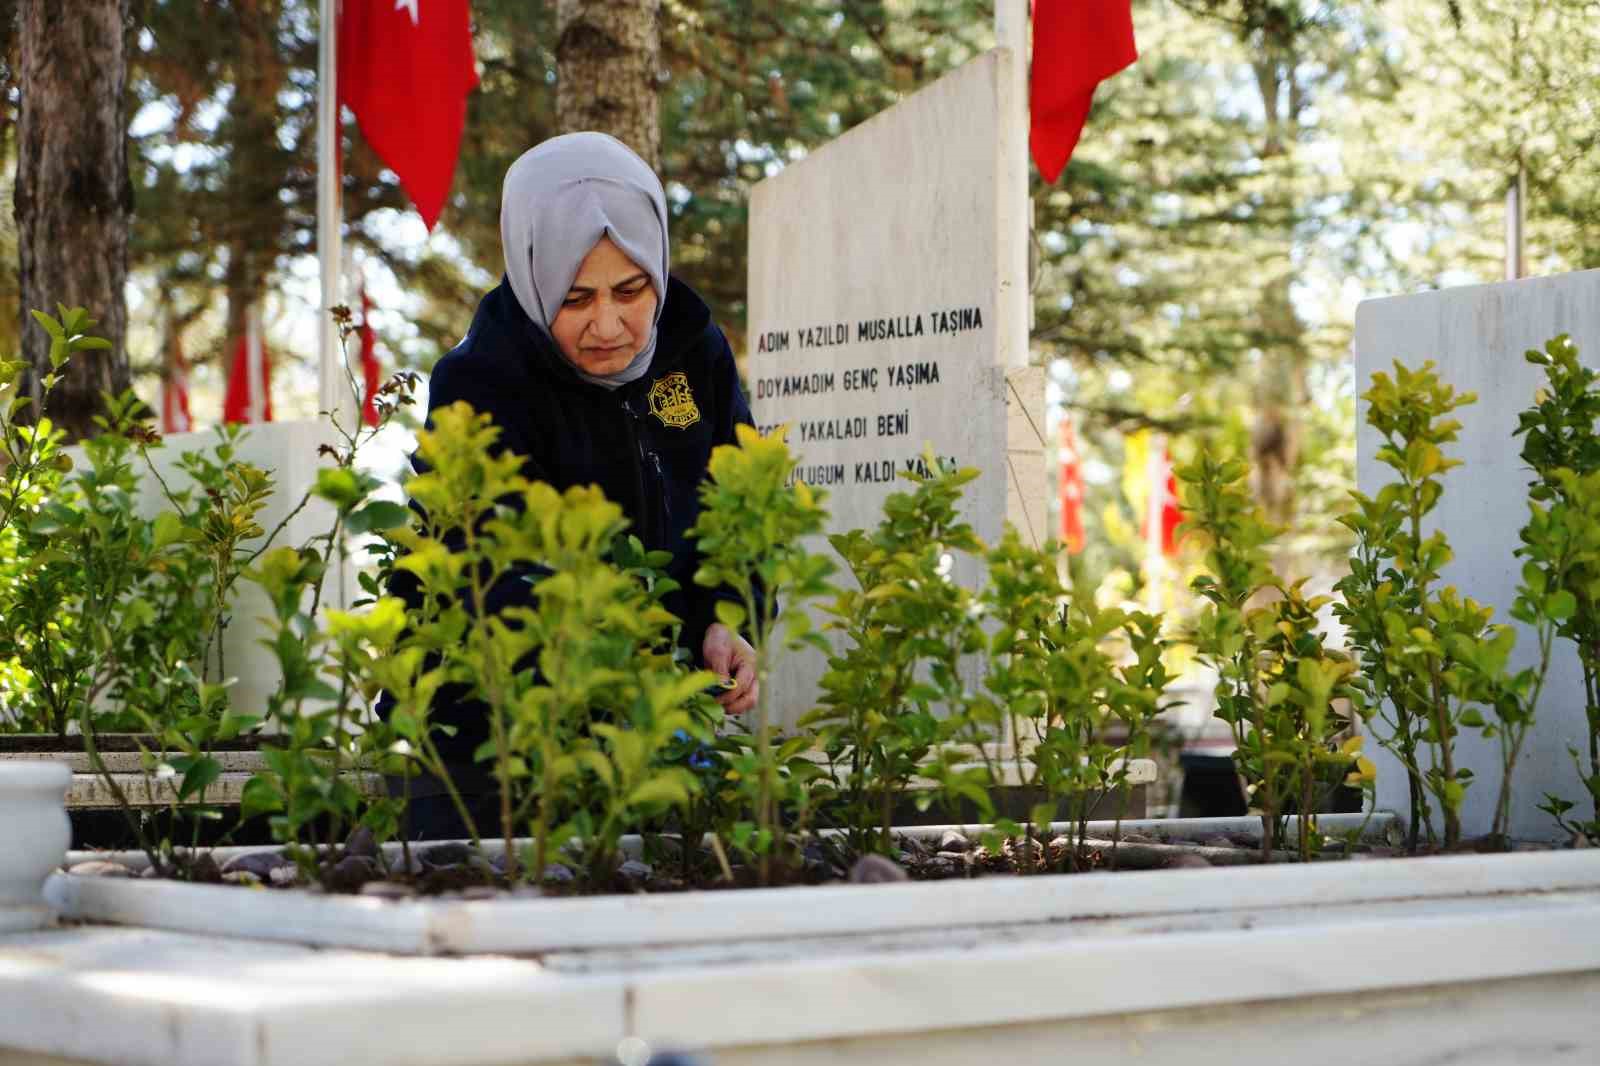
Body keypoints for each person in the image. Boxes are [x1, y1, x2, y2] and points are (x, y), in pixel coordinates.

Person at [385, 132, 760, 839]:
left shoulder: (694, 350)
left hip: (649, 726)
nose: (609, 325)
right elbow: (482, 575)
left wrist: (727, 615)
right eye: (576, 297)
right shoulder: (481, 380)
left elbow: (737, 504)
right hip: (493, 740)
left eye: (630, 289)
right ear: (532, 277)